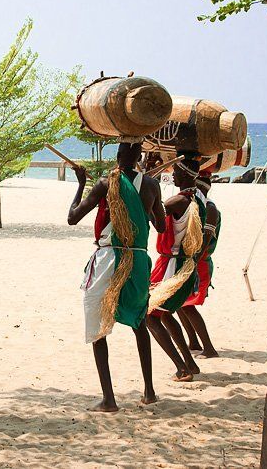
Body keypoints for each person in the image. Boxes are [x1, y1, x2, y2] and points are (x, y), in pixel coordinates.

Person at [68, 141, 165, 412]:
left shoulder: (105, 183)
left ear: (119, 155)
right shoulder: (152, 186)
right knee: (139, 322)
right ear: (139, 158)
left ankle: (109, 399)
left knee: (98, 325)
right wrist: (148, 203)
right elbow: (161, 225)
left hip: (109, 259)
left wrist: (79, 185)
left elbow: (73, 217)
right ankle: (149, 391)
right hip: (137, 262)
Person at [146, 155, 206, 382]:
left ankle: (182, 368)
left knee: (150, 316)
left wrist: (146, 181)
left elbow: (154, 214)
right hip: (178, 263)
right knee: (165, 315)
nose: (173, 175)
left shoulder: (179, 201)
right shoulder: (198, 199)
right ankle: (189, 363)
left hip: (173, 264)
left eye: (177, 172)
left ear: (186, 175)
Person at [178, 172, 220, 358]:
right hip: (191, 261)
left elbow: (205, 240)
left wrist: (192, 263)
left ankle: (209, 348)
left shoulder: (210, 209)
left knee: (187, 305)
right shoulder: (200, 206)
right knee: (179, 304)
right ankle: (193, 341)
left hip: (199, 262)